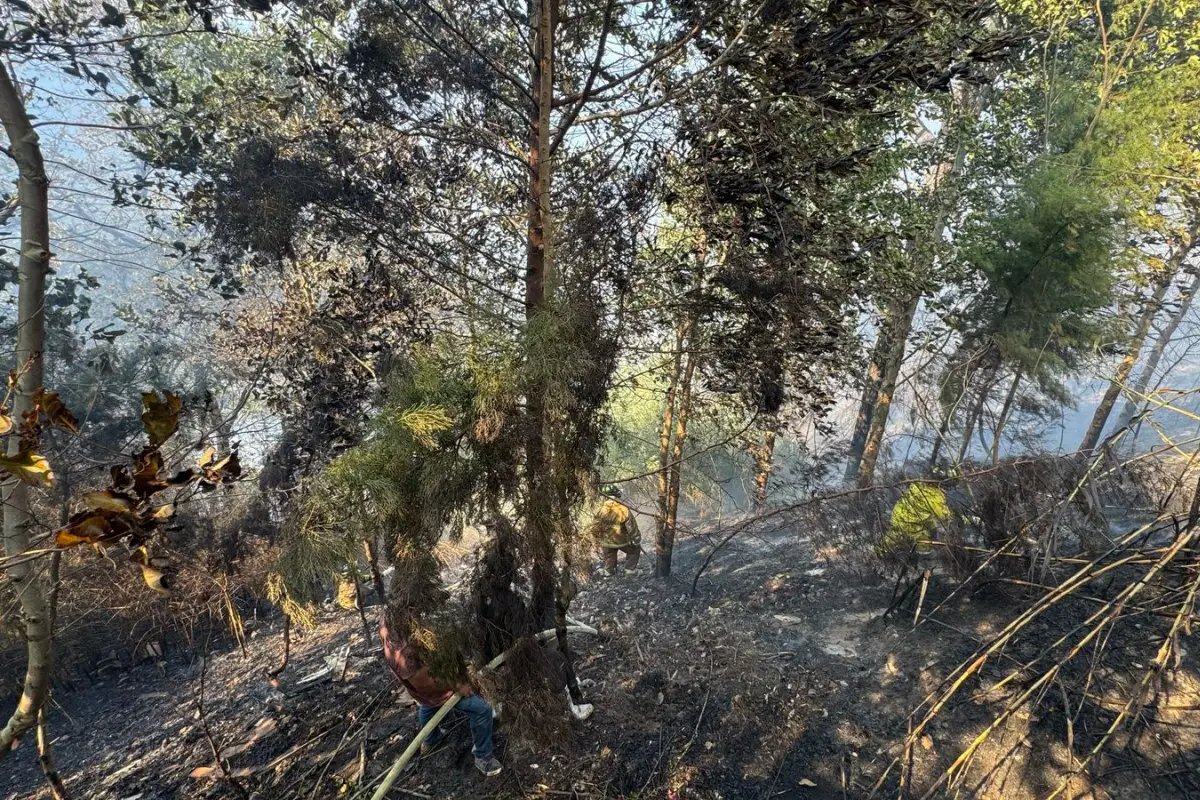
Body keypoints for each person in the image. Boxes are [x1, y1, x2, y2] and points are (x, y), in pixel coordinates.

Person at [379, 609, 503, 777]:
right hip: (436, 687)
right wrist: (457, 685)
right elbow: (424, 681)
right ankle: (483, 757)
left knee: (427, 705)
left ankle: (432, 739)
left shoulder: (390, 618)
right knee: (481, 710)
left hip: (424, 688)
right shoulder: (405, 651)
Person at [590, 484, 641, 574]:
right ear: (617, 495)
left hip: (606, 541)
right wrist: (636, 539)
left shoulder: (600, 509)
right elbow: (632, 527)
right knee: (634, 550)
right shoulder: (623, 509)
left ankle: (609, 570)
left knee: (609, 554)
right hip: (621, 541)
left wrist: (597, 539)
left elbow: (594, 527)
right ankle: (630, 569)